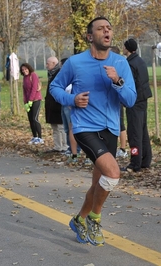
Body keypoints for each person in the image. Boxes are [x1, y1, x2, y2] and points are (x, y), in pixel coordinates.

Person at [50, 16, 136, 246]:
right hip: (84, 127)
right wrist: (72, 99)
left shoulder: (120, 63)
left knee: (100, 182)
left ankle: (80, 219)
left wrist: (117, 81)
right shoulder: (75, 63)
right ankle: (95, 219)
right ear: (90, 36)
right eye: (101, 28)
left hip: (110, 128)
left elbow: (130, 99)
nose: (107, 31)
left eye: (109, 28)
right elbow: (54, 86)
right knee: (113, 173)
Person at [121, 39, 153, 172]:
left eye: (124, 47)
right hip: (143, 100)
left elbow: (130, 83)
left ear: (127, 48)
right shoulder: (140, 61)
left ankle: (135, 162)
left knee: (134, 132)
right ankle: (145, 159)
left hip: (134, 101)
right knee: (143, 131)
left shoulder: (129, 64)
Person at [45, 56, 67, 152]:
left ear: (54, 64)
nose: (46, 66)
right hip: (51, 103)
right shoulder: (50, 74)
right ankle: (57, 146)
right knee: (55, 127)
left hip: (58, 103)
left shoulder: (59, 73)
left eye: (48, 63)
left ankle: (65, 146)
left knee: (61, 127)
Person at [110, 46, 128, 158]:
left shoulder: (119, 68)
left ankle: (122, 149)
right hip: (109, 99)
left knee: (120, 124)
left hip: (117, 99)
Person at [20, 63, 44, 145]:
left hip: (36, 100)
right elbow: (25, 91)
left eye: (25, 69)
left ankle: (40, 137)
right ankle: (35, 136)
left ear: (29, 68)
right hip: (28, 101)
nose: (24, 71)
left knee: (35, 118)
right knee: (30, 119)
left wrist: (30, 100)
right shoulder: (24, 78)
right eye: (23, 70)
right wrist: (25, 102)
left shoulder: (33, 75)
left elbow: (34, 88)